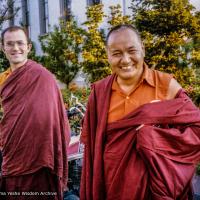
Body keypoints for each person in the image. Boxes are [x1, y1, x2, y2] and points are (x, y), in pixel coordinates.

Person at [80, 24, 200, 200]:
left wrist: (155, 136)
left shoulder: (167, 85)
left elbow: (197, 130)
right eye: (117, 53)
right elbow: (91, 151)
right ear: (108, 56)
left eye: (131, 50)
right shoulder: (99, 93)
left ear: (142, 49)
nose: (126, 60)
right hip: (113, 187)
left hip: (156, 189)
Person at [0, 26, 70, 199]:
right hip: (11, 152)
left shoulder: (43, 77)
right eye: (10, 44)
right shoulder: (2, 80)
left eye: (19, 43)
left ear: (29, 47)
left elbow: (56, 117)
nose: (15, 48)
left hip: (40, 155)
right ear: (3, 48)